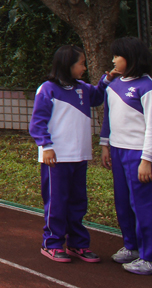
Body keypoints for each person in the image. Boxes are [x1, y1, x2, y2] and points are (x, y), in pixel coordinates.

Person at [29, 45, 105, 263]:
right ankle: (51, 243)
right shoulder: (47, 89)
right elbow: (37, 123)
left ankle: (77, 244)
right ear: (67, 64)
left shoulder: (83, 88)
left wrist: (106, 80)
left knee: (78, 201)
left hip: (79, 156)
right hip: (56, 158)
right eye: (81, 63)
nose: (84, 67)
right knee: (57, 202)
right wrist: (46, 145)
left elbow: (98, 97)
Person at [101, 36, 152, 274]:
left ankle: (148, 256)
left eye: (116, 56)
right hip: (118, 152)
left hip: (138, 154)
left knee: (142, 204)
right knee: (122, 202)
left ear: (130, 58)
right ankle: (131, 246)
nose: (112, 60)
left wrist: (146, 160)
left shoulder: (147, 86)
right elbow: (108, 120)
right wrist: (105, 146)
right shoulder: (113, 85)